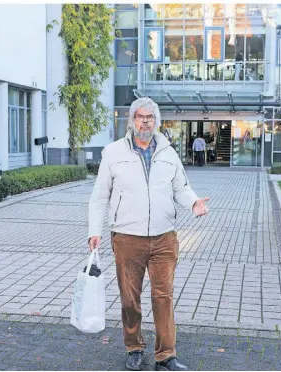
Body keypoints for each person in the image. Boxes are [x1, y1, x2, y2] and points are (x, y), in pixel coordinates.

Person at [88, 97, 210, 371]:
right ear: (132, 121)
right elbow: (99, 196)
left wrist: (194, 202)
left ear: (156, 121)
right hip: (127, 237)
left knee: (163, 296)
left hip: (164, 237)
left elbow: (180, 187)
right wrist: (94, 230)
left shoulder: (168, 152)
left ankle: (165, 355)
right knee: (130, 298)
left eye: (150, 117)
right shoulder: (113, 152)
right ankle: (134, 347)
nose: (145, 121)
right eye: (140, 117)